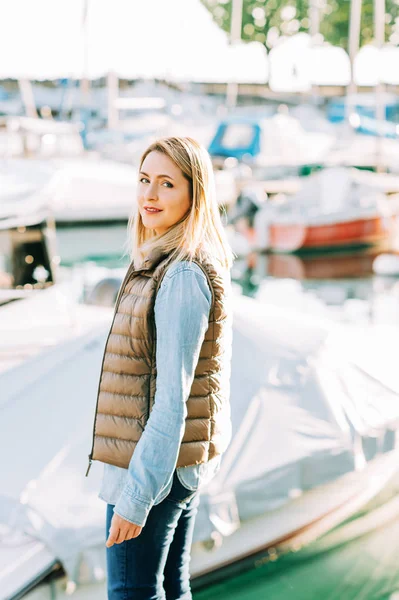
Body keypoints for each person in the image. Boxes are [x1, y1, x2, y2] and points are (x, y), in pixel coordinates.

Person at [85, 136, 235, 599]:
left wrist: (135, 498)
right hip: (169, 467)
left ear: (195, 194)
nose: (149, 195)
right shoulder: (159, 263)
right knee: (170, 587)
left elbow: (173, 400)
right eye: (145, 180)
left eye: (166, 184)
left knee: (133, 592)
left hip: (151, 473)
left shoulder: (183, 275)